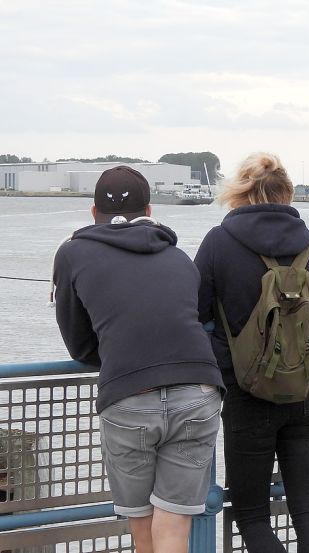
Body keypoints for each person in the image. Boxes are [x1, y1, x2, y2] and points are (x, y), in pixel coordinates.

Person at [52, 166, 225, 553]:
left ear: (92, 211)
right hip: (198, 389)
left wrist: (119, 351)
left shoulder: (72, 252)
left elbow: (78, 344)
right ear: (149, 209)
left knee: (143, 527)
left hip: (129, 393)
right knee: (174, 525)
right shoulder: (179, 256)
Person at [194, 153, 309, 552]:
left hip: (246, 394)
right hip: (306, 392)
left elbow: (194, 314)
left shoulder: (217, 243)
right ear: (288, 192)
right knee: (308, 509)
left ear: (239, 193)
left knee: (252, 516)